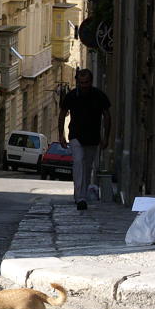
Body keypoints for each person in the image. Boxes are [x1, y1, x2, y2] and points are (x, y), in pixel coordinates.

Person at [58, 68, 112, 211]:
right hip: (75, 136)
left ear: (91, 81)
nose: (84, 85)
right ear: (77, 82)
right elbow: (62, 114)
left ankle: (82, 194)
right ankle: (80, 198)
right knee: (78, 162)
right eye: (81, 82)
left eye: (86, 82)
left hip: (93, 137)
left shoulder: (99, 96)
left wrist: (106, 137)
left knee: (87, 168)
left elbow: (107, 116)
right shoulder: (71, 96)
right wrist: (61, 134)